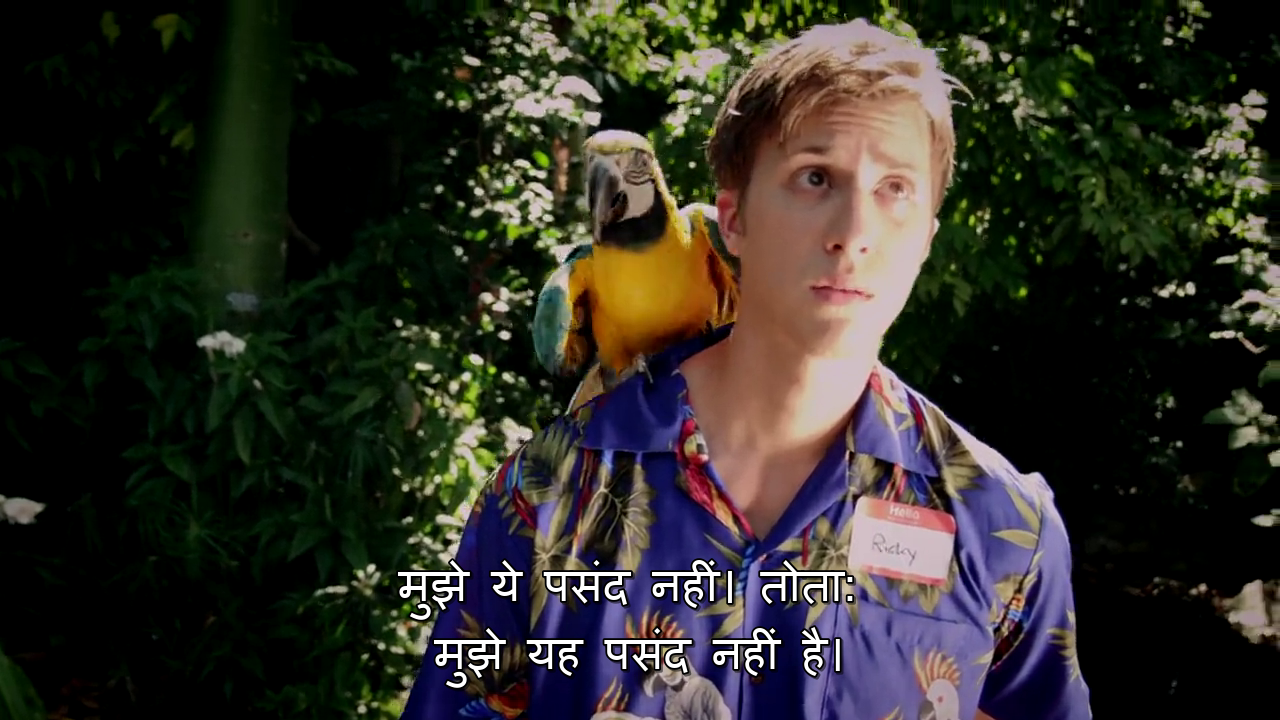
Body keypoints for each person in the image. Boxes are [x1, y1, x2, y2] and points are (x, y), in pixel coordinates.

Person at [401, 18, 1091, 720]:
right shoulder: (543, 494)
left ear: (926, 240)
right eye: (815, 177)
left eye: (895, 188)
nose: (854, 233)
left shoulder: (1003, 525)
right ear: (732, 218)